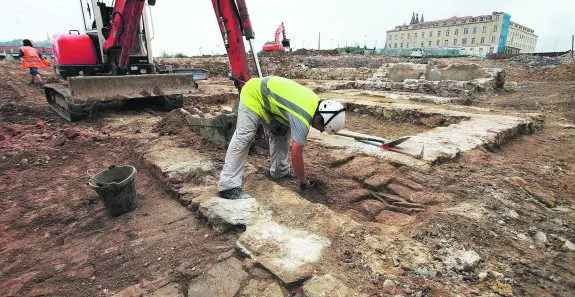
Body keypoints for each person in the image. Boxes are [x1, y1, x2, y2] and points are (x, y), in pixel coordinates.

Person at [218, 76, 346, 200]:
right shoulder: (303, 117)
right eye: (322, 127)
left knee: (281, 133)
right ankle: (228, 186)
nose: (321, 130)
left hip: (270, 101)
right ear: (319, 118)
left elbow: (288, 106)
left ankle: (280, 171)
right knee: (244, 136)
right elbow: (296, 155)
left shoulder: (315, 102)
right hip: (254, 93)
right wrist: (303, 182)